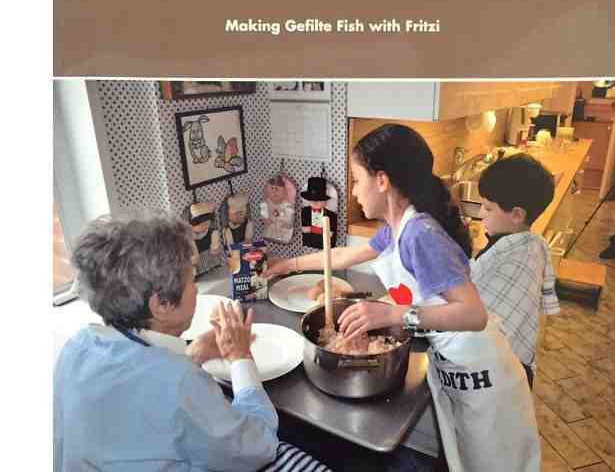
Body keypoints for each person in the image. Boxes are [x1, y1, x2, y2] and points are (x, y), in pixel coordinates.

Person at [264, 124, 540, 472]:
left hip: (484, 371)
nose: (354, 191)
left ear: (382, 180)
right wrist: (287, 265)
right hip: (458, 367)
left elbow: (474, 314)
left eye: (356, 179)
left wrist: (393, 315)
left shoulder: (421, 234)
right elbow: (343, 256)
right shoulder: (398, 229)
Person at [54, 212, 330, 472]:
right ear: (162, 305)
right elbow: (259, 446)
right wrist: (241, 357)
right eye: (190, 279)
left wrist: (192, 354)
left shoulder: (76, 347)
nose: (196, 288)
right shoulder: (177, 382)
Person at [471, 153, 561, 389]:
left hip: (500, 375)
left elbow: (475, 313)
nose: (480, 214)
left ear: (517, 215)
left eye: (488, 208)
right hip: (516, 371)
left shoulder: (512, 257)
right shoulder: (528, 245)